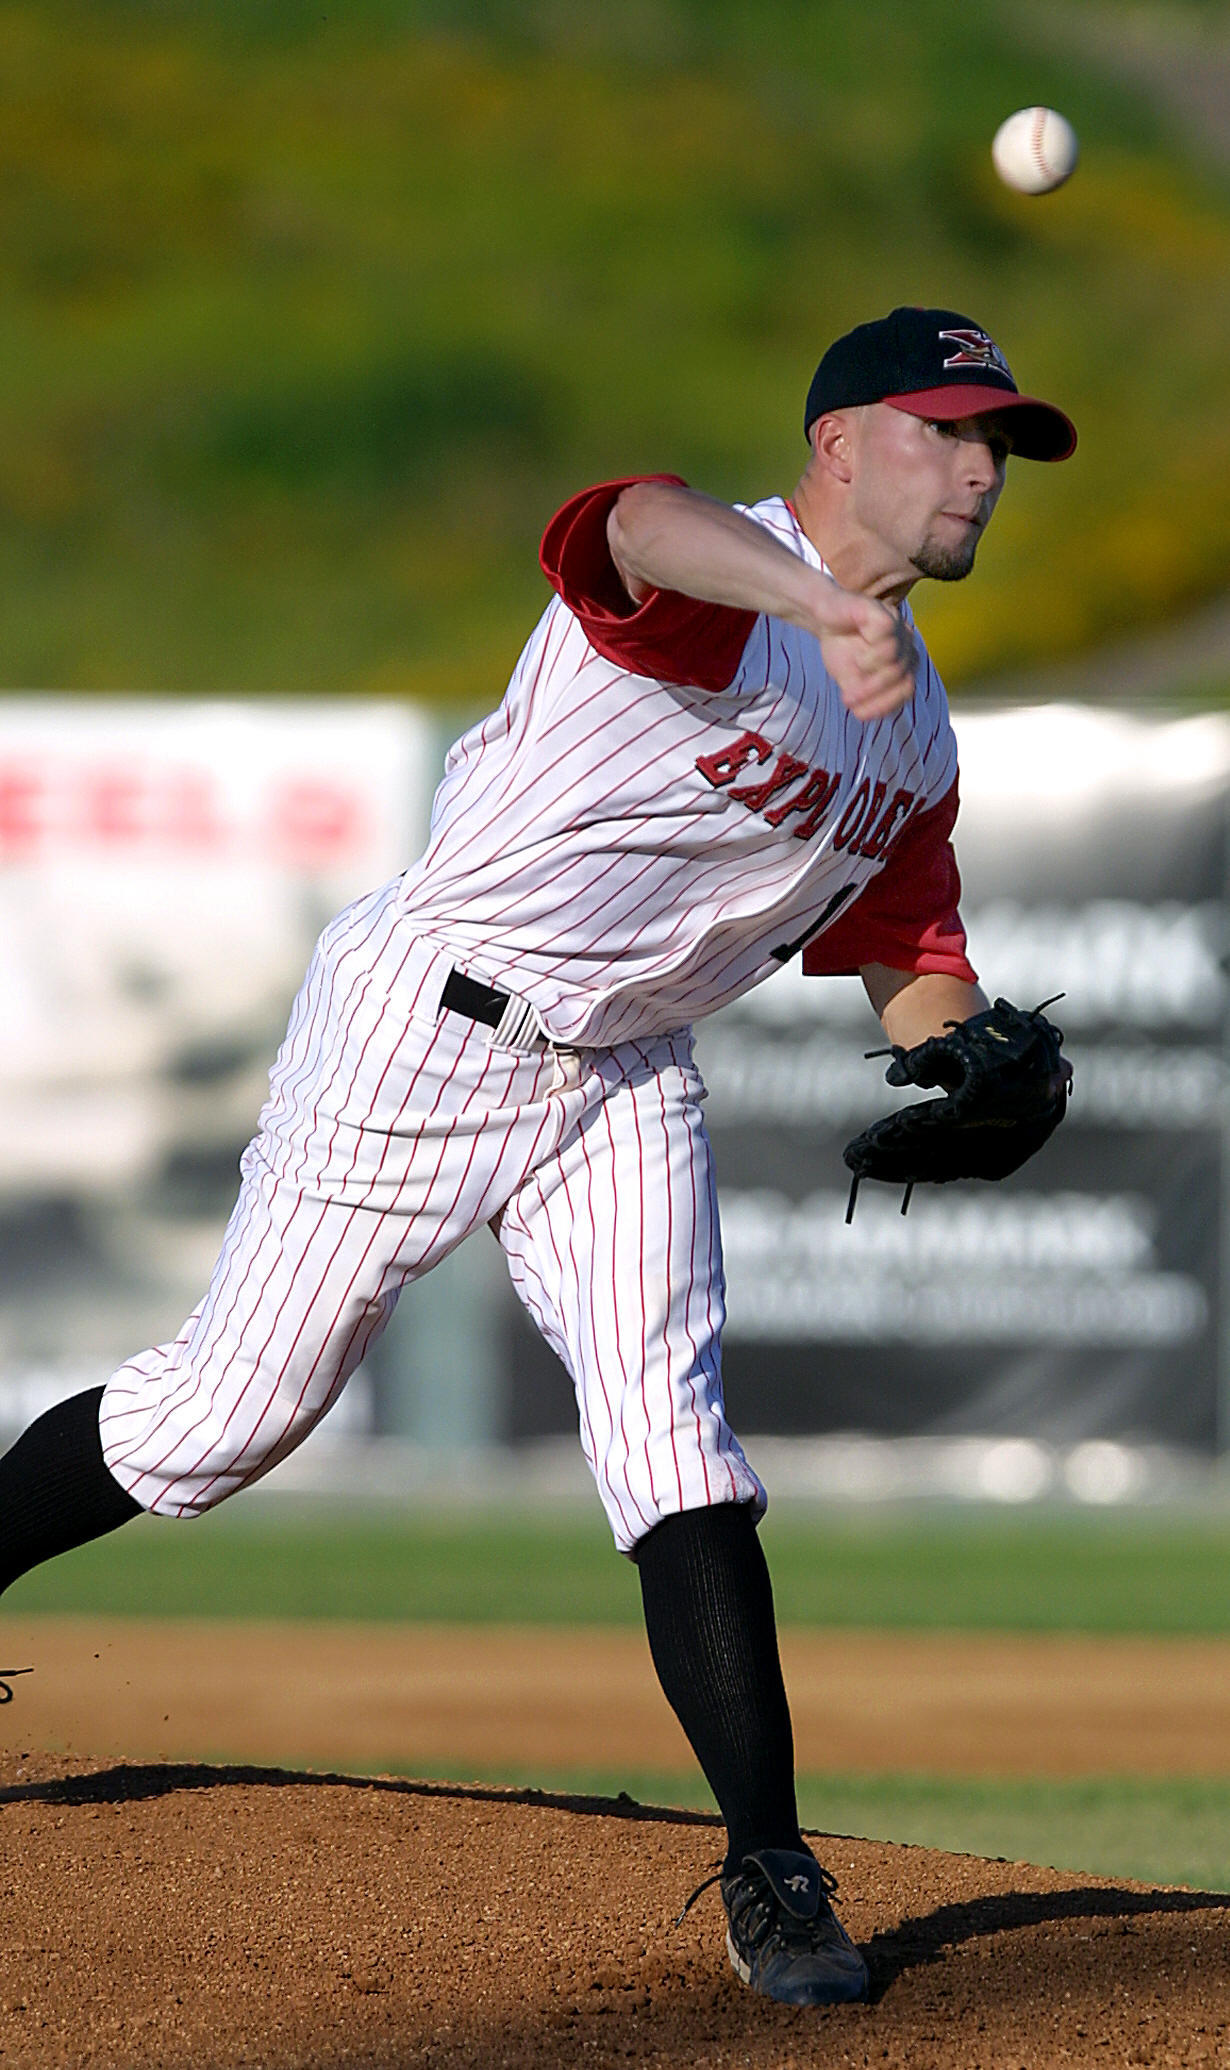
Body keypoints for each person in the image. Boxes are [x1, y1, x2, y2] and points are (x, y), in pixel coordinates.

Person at [0, 306, 1075, 2007]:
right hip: (427, 1020)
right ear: (835, 444)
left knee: (673, 1431)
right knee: (224, 1416)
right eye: (946, 431)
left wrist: (966, 1047)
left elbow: (902, 941)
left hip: (623, 1065)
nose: (978, 470)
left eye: (998, 446)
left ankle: (771, 1863)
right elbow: (623, 516)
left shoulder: (911, 732)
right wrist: (815, 600)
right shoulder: (722, 587)